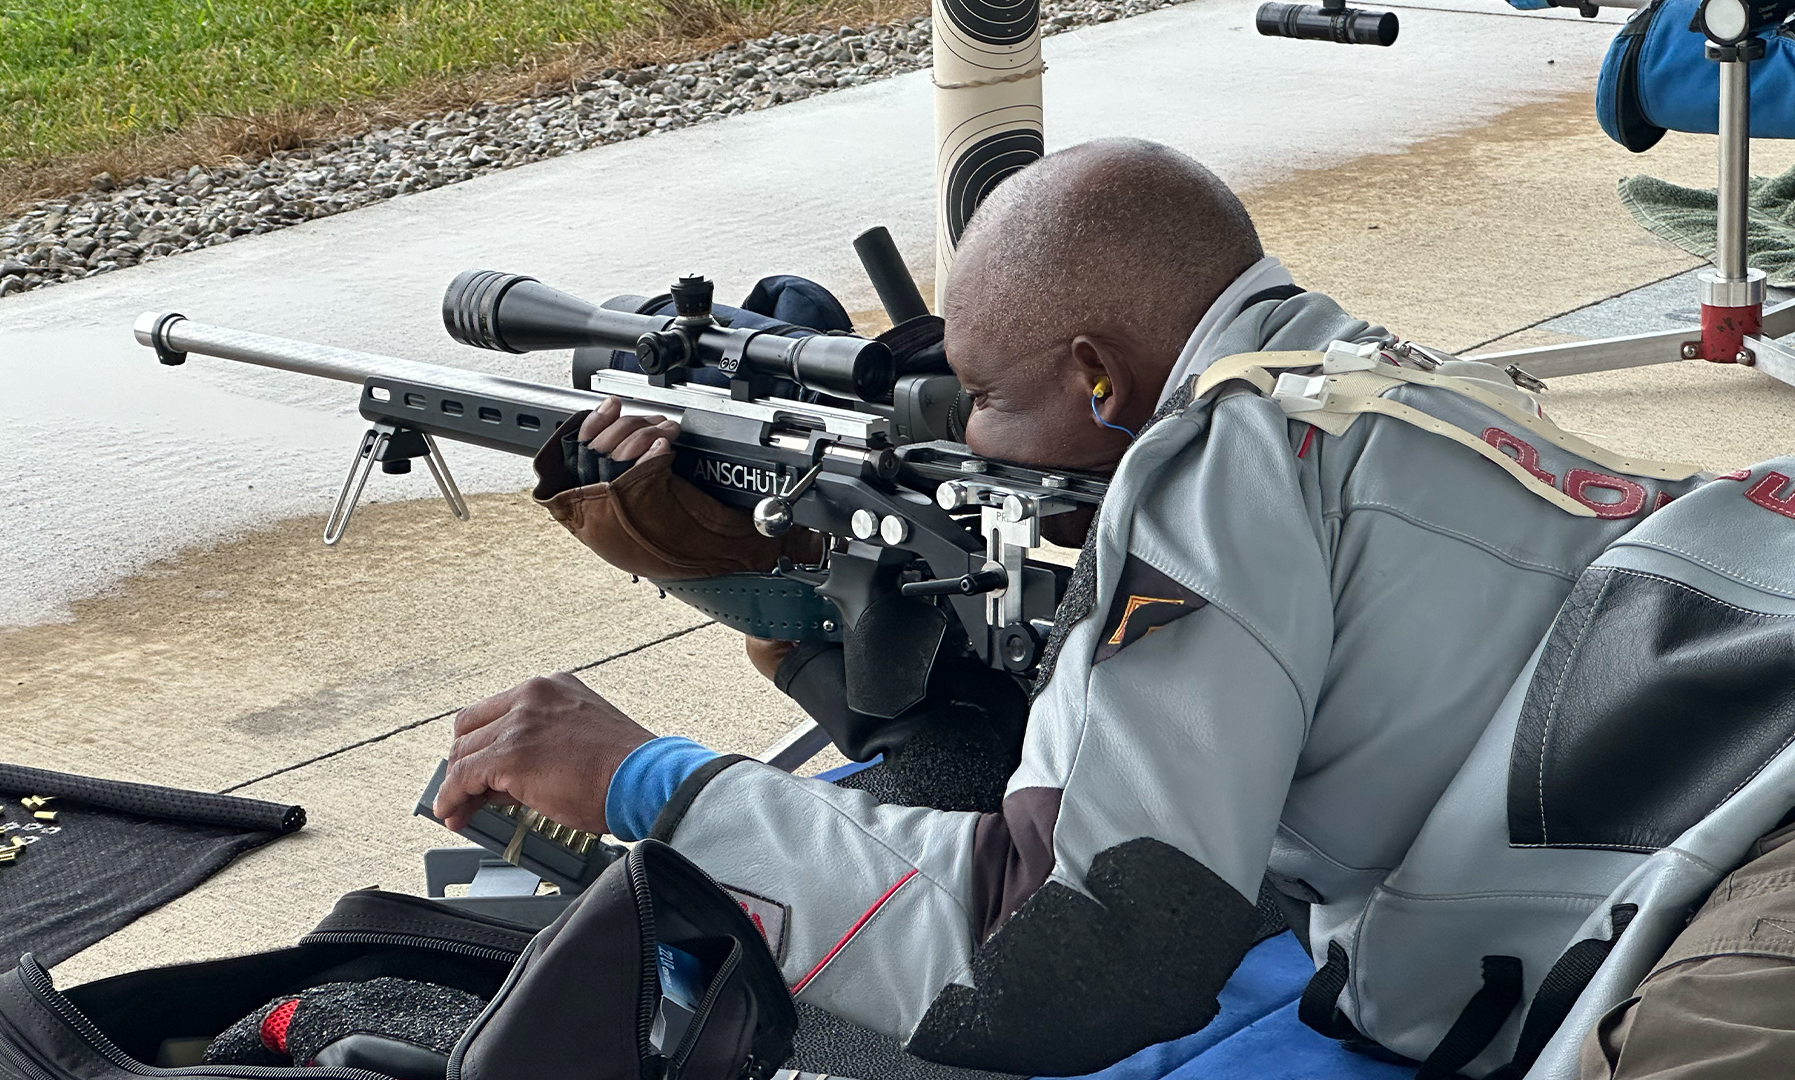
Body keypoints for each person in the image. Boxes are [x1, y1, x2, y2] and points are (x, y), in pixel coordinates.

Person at [432, 139, 1795, 1079]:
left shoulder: (1211, 464)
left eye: (974, 392)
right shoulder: (1376, 383)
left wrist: (651, 782)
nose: (965, 428)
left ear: (1097, 374)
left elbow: (1074, 957)